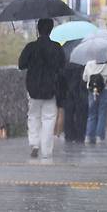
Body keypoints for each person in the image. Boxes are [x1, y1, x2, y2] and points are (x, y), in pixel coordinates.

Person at [18, 18, 67, 158]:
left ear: (37, 29)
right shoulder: (57, 47)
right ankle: (46, 150)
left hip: (33, 87)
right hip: (51, 88)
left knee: (33, 116)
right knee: (49, 117)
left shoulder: (31, 47)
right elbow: (62, 65)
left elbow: (21, 64)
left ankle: (34, 144)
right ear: (51, 29)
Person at [82, 60, 107, 144]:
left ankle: (88, 136)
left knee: (91, 114)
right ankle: (99, 137)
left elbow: (84, 78)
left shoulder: (89, 64)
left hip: (92, 91)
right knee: (102, 113)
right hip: (105, 90)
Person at [63, 62, 87, 143]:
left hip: (67, 91)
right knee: (80, 114)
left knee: (68, 114)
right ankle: (80, 135)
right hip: (79, 91)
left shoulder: (65, 64)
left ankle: (69, 135)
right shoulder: (80, 65)